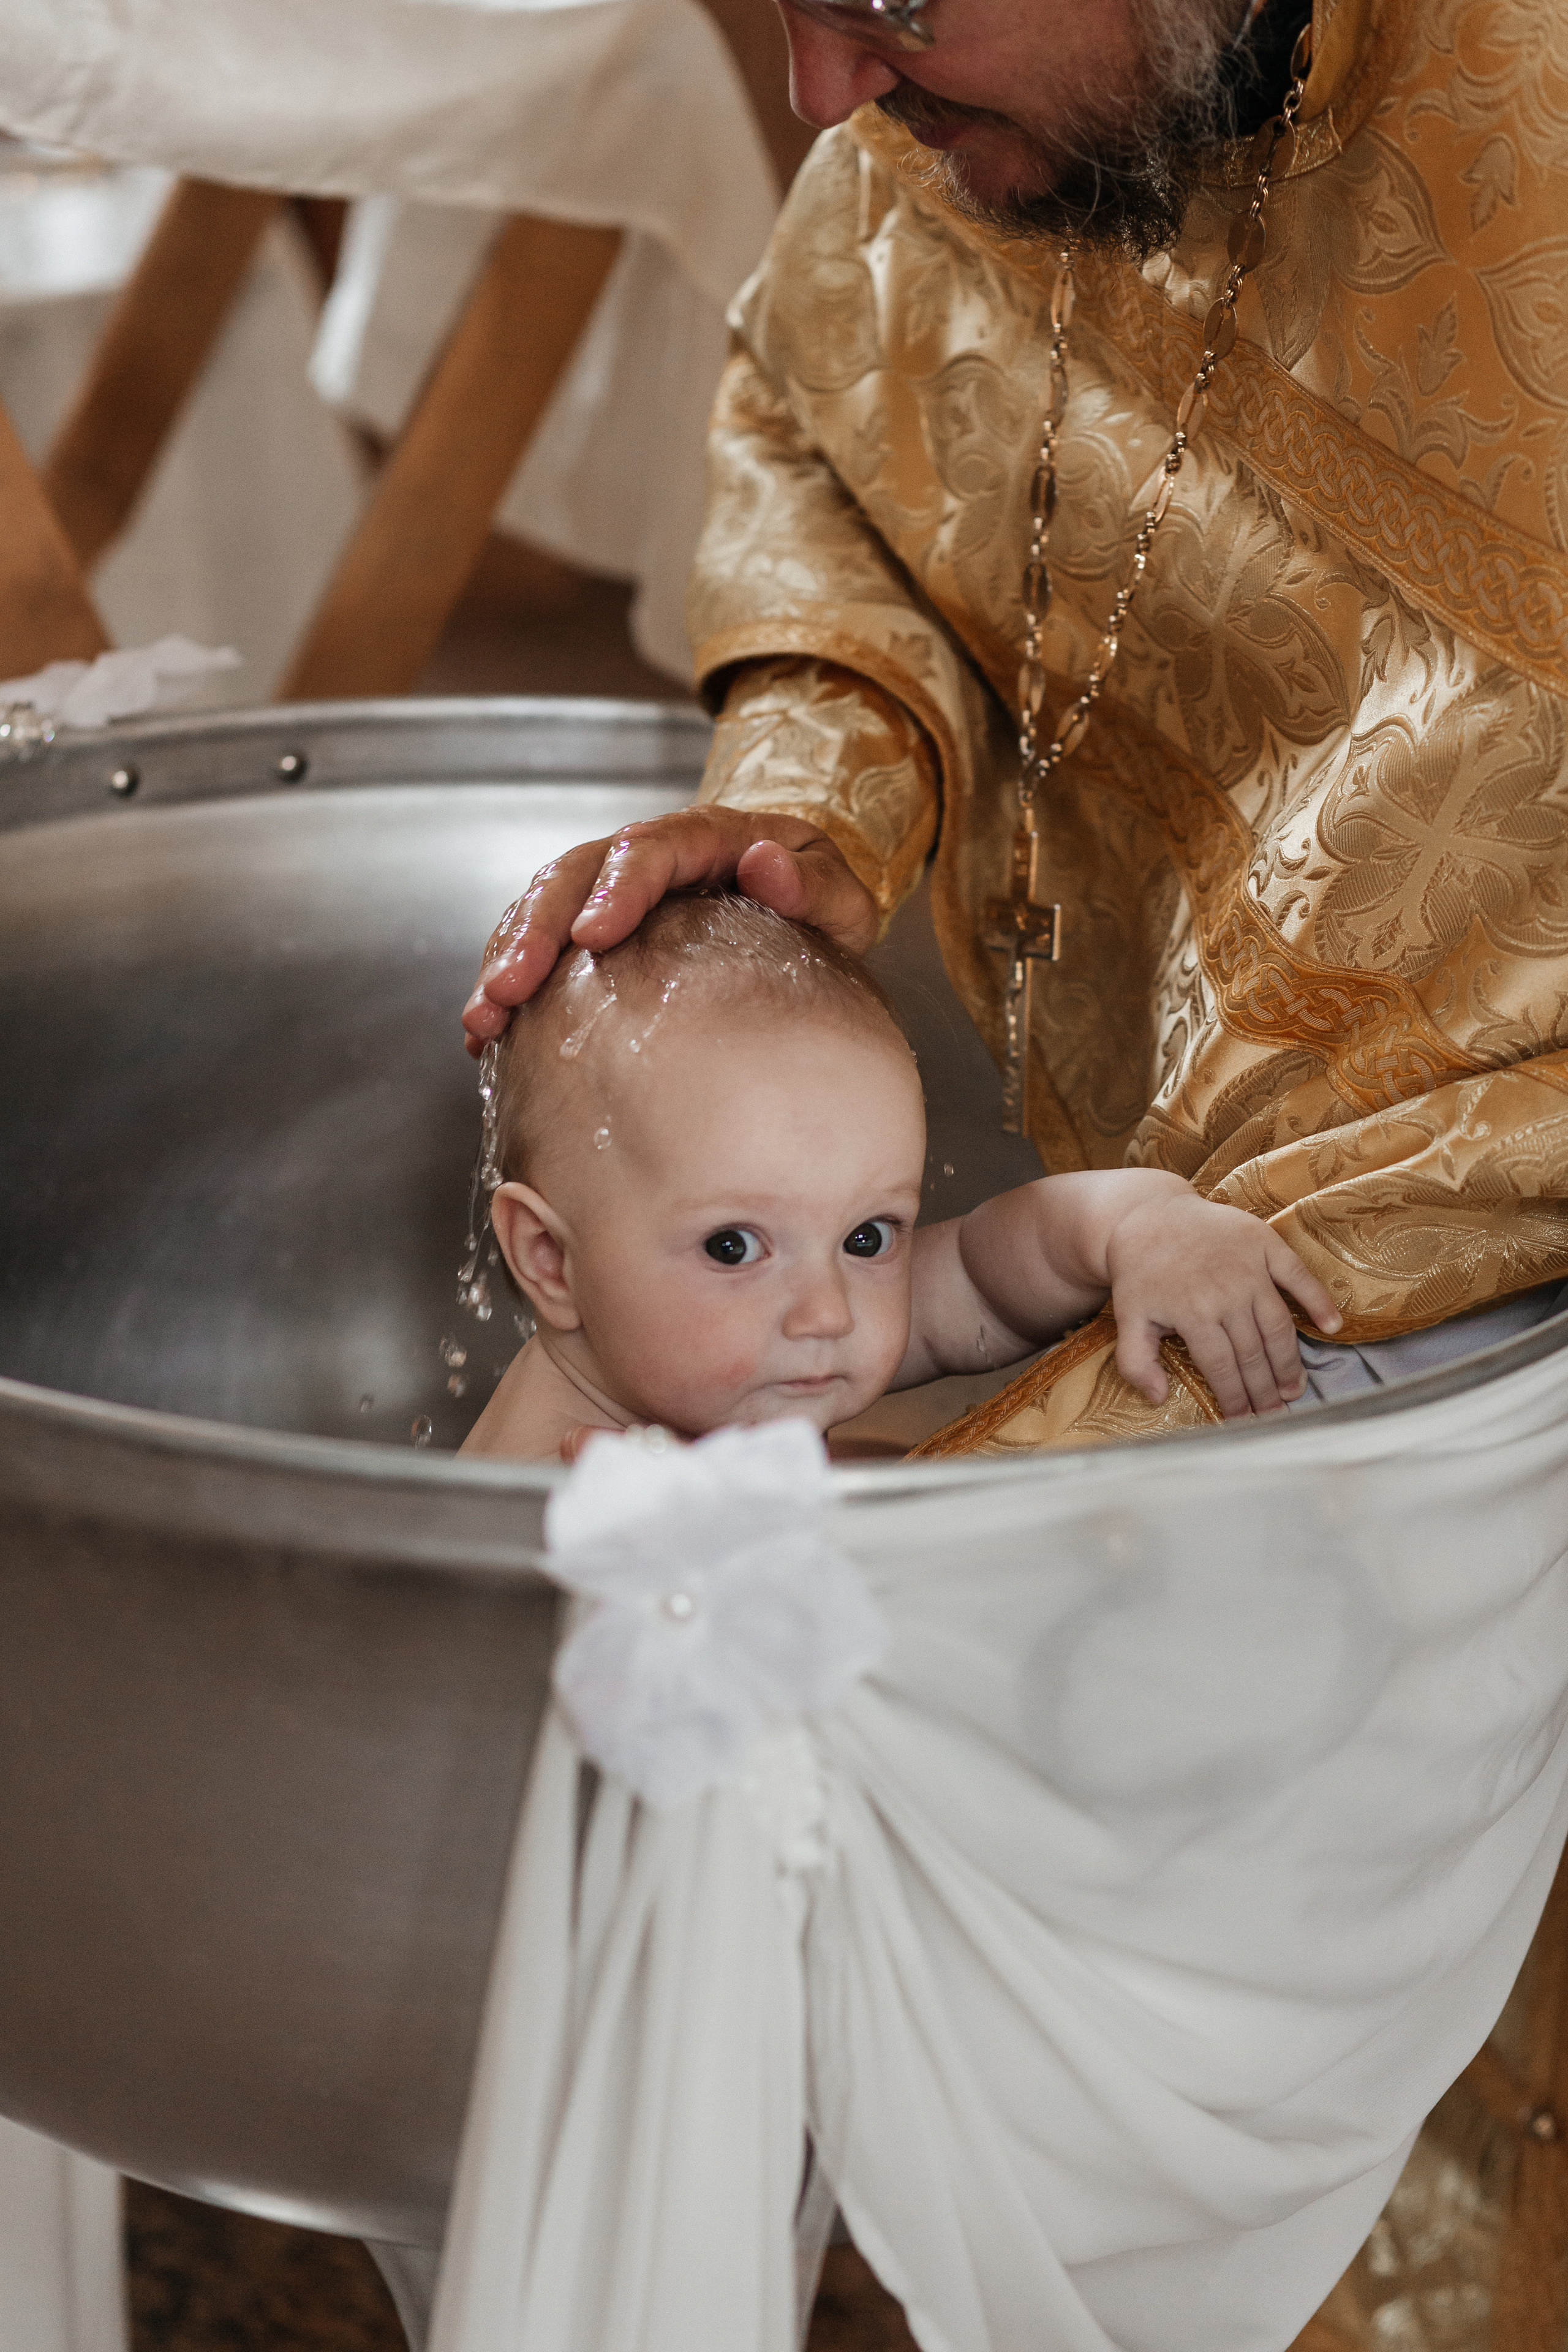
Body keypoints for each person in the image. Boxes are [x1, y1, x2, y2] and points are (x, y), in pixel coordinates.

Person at [462, 0, 1568, 1456]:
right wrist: (806, 808)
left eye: (888, 1)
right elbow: (834, 457)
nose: (822, 94)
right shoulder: (917, 144)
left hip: (1462, 1194)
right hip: (1124, 1129)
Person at [461, 892, 1338, 1459]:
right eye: (733, 1247)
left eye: (868, 1237)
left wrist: (1139, 1222)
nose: (829, 1311)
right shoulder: (548, 1494)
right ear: (548, 1260)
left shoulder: (755, 1345)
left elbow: (988, 1281)